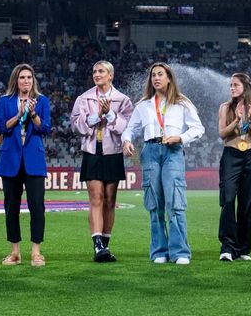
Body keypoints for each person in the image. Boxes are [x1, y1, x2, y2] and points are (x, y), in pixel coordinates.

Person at [123, 62, 205, 264]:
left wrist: (180, 138)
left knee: (174, 202)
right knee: (154, 203)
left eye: (160, 74)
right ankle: (159, 251)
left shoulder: (182, 103)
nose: (156, 78)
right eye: (153, 75)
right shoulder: (143, 105)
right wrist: (126, 141)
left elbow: (198, 129)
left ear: (169, 78)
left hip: (173, 151)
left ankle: (180, 252)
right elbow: (130, 128)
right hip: (150, 151)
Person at [70, 61, 133, 263]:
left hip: (113, 152)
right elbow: (76, 125)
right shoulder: (84, 98)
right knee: (96, 198)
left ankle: (105, 245)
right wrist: (98, 115)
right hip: (92, 151)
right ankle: (97, 245)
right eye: (94, 71)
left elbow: (126, 127)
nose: (97, 75)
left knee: (110, 200)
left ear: (110, 75)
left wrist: (111, 114)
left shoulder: (122, 100)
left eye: (101, 71)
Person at [0, 64, 52, 267]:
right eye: (22, 77)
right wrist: (19, 115)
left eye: (29, 77)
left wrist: (34, 114)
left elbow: (45, 129)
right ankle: (15, 252)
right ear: (15, 81)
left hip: (34, 161)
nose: (26, 81)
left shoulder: (42, 101)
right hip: (10, 159)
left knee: (37, 206)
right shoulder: (5, 101)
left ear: (33, 80)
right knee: (11, 208)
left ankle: (36, 252)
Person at [216, 72, 251, 261]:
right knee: (228, 199)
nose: (232, 88)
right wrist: (236, 120)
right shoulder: (225, 108)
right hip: (231, 156)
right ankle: (227, 247)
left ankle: (244, 248)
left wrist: (250, 120)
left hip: (250, 157)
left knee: (247, 203)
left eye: (235, 85)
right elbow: (222, 133)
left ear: (246, 86)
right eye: (230, 85)